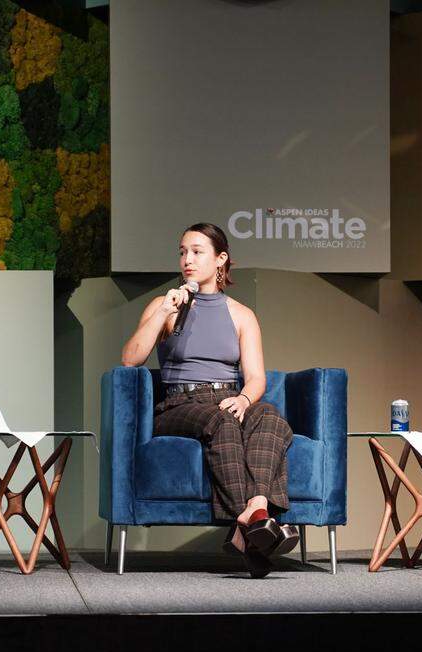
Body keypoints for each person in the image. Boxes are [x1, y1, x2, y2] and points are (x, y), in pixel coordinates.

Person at [120, 222, 298, 578]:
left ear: (221, 259)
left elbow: (257, 377)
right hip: (179, 405)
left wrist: (245, 399)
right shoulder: (164, 305)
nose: (187, 259)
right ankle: (252, 523)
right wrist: (162, 313)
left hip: (229, 398)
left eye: (197, 252)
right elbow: (130, 359)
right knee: (222, 420)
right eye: (183, 252)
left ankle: (255, 513)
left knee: (272, 417)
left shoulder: (241, 314)